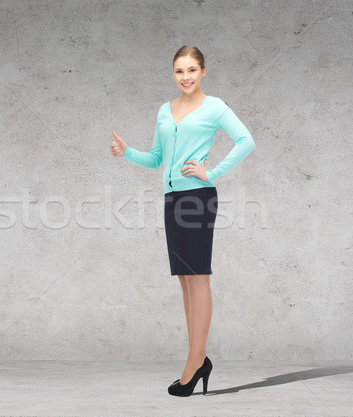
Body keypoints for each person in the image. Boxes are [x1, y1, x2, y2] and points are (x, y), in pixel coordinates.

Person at [110, 45, 256, 397]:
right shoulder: (165, 109)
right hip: (172, 200)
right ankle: (198, 359)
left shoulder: (214, 106)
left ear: (203, 71)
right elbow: (157, 158)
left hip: (197, 199)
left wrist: (212, 172)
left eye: (192, 70)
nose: (185, 77)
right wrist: (126, 152)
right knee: (185, 282)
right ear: (173, 74)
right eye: (179, 71)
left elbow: (246, 141)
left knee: (199, 279)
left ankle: (194, 363)